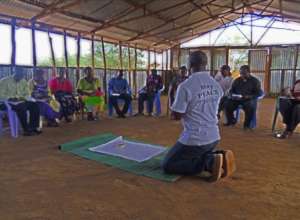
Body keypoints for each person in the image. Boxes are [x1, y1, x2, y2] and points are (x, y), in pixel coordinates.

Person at [162, 51, 236, 182]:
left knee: (168, 165)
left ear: (190, 64)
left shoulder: (185, 86)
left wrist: (173, 105)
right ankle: (220, 156)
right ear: (206, 64)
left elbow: (176, 116)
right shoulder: (215, 84)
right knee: (192, 154)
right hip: (214, 138)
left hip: (195, 140)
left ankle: (210, 163)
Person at [0, 67, 41, 136]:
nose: (20, 76)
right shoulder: (4, 81)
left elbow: (27, 93)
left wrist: (23, 98)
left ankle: (33, 127)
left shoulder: (23, 81)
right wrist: (10, 98)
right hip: (5, 103)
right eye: (19, 74)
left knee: (35, 105)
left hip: (20, 101)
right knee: (22, 107)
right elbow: (1, 94)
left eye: (22, 74)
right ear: (14, 72)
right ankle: (26, 130)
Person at [224, 65, 263, 130]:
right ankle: (231, 121)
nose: (242, 75)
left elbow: (259, 93)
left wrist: (250, 96)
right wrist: (231, 94)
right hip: (237, 99)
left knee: (250, 106)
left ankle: (246, 125)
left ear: (249, 72)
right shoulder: (237, 80)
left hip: (248, 100)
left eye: (244, 73)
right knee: (227, 104)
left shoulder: (255, 81)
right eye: (241, 73)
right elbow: (232, 90)